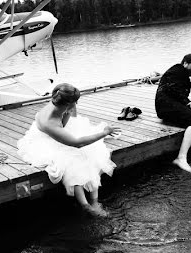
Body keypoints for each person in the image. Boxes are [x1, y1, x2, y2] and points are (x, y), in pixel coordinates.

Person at [17, 83, 120, 216]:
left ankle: (94, 202)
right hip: (48, 141)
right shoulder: (50, 122)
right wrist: (104, 133)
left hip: (61, 132)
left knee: (91, 154)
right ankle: (86, 205)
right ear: (67, 104)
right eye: (74, 103)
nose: (76, 104)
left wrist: (69, 110)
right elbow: (77, 144)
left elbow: (64, 124)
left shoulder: (58, 99)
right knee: (73, 162)